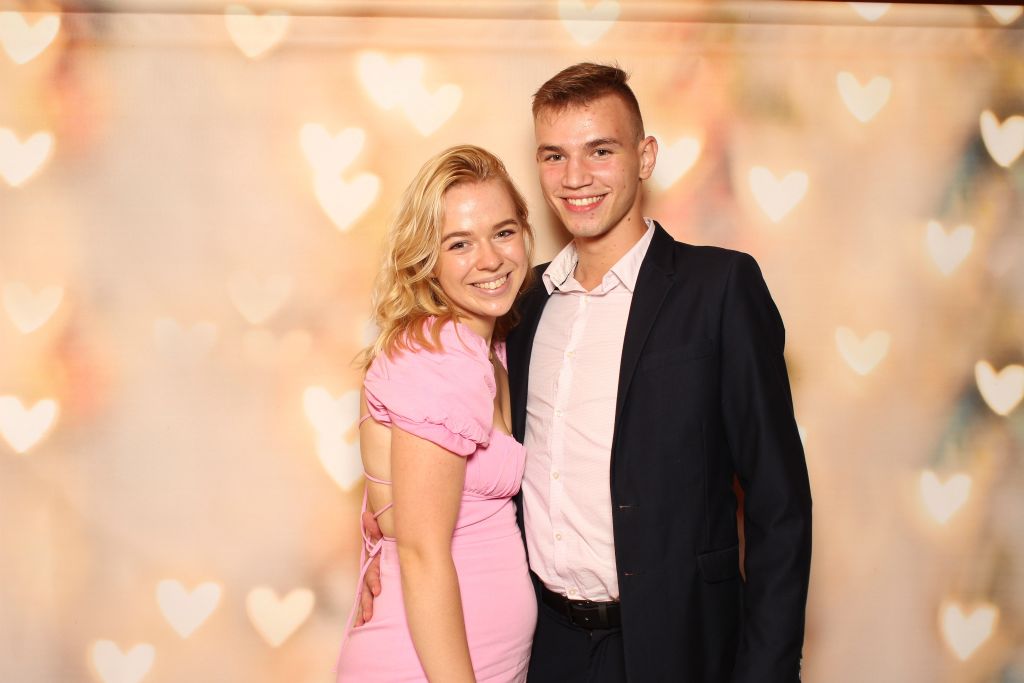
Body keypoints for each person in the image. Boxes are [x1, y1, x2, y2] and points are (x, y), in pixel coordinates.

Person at [360, 64, 812, 683]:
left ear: (645, 157)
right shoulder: (518, 306)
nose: (576, 177)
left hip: (681, 645)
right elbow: (430, 439)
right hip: (547, 650)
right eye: (555, 155)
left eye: (600, 150)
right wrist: (383, 538)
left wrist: (767, 673)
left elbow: (778, 505)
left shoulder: (720, 289)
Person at [334, 144, 537, 682]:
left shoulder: (486, 347)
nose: (490, 259)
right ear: (428, 259)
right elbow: (423, 552)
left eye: (503, 232)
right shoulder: (440, 356)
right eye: (459, 243)